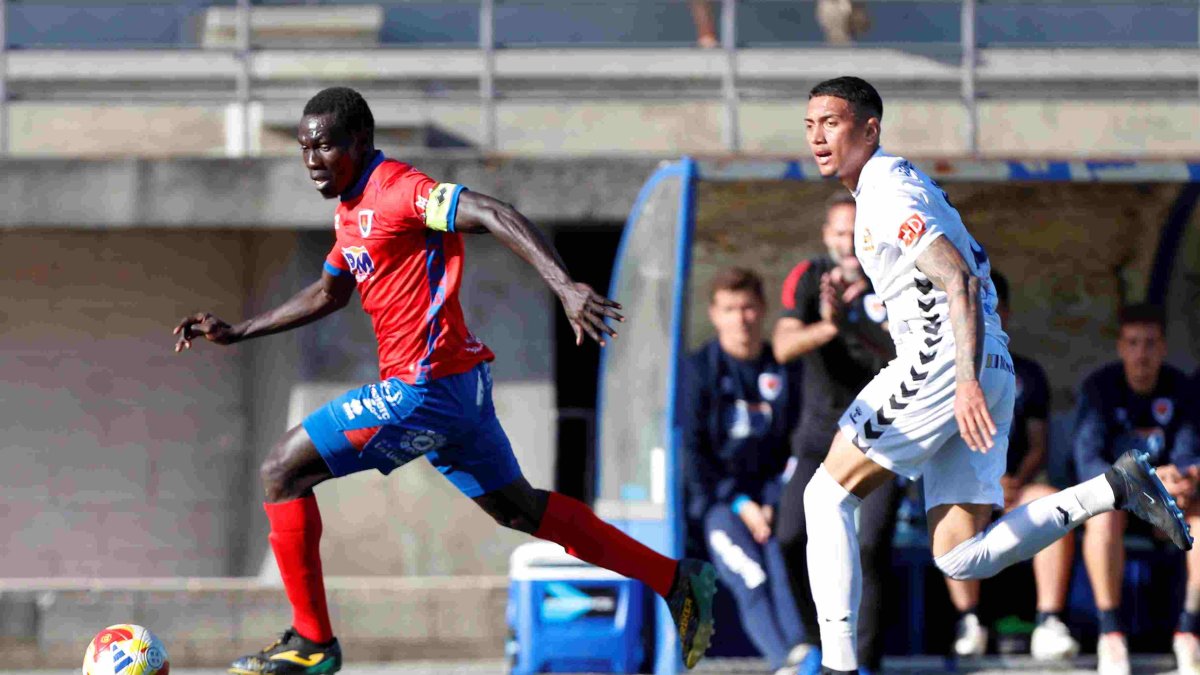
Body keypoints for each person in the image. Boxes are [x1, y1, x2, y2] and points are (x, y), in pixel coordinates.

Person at [173, 86, 718, 675]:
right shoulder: (351, 210)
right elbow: (330, 291)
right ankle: (675, 580)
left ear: (361, 142)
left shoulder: (401, 191)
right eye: (306, 148)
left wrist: (563, 285)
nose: (312, 161)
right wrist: (239, 330)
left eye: (326, 146)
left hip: (421, 390)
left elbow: (491, 211)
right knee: (520, 511)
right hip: (460, 391)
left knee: (282, 470)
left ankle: (311, 642)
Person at [797, 75, 1193, 675]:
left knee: (824, 497)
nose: (818, 137)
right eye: (810, 126)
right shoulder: (898, 184)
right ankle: (1115, 488)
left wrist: (962, 381)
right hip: (984, 362)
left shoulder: (885, 193)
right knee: (960, 558)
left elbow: (959, 278)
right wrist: (855, 326)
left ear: (870, 128)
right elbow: (934, 295)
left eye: (832, 122)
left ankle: (837, 667)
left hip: (945, 367)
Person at [772, 192, 896, 675]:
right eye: (840, 233)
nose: (849, 244)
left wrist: (857, 327)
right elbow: (783, 347)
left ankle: (864, 664)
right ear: (827, 236)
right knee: (789, 537)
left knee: (870, 547)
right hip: (819, 438)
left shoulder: (893, 278)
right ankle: (817, 642)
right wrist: (828, 327)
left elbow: (908, 357)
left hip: (882, 436)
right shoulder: (809, 278)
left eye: (856, 233)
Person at [940, 271, 1079, 661]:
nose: (988, 313)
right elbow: (945, 445)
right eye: (979, 305)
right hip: (971, 488)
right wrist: (985, 482)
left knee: (1053, 501)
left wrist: (1013, 480)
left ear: (1007, 312)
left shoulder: (1029, 373)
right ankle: (970, 622)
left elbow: (1038, 443)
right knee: (951, 508)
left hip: (1017, 485)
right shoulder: (949, 371)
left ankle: (1050, 621)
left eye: (995, 305)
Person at [682, 267, 805, 675]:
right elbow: (694, 454)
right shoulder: (699, 370)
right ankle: (785, 662)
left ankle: (805, 658)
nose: (741, 318)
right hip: (719, 504)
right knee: (751, 574)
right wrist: (738, 501)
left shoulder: (783, 366)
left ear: (763, 310)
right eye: (730, 309)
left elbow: (798, 443)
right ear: (715, 314)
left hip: (774, 499)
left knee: (783, 561)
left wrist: (773, 501)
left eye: (749, 307)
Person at [1073, 303, 1200, 675]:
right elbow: (1088, 463)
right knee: (1102, 520)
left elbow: (1188, 454)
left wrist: (1186, 477)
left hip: (1169, 505)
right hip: (1117, 502)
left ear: (1162, 347)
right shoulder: (1099, 388)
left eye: (1150, 343)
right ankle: (1110, 634)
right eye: (1133, 343)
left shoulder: (1182, 388)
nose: (1141, 353)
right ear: (1120, 346)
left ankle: (1190, 632)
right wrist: (1142, 483)